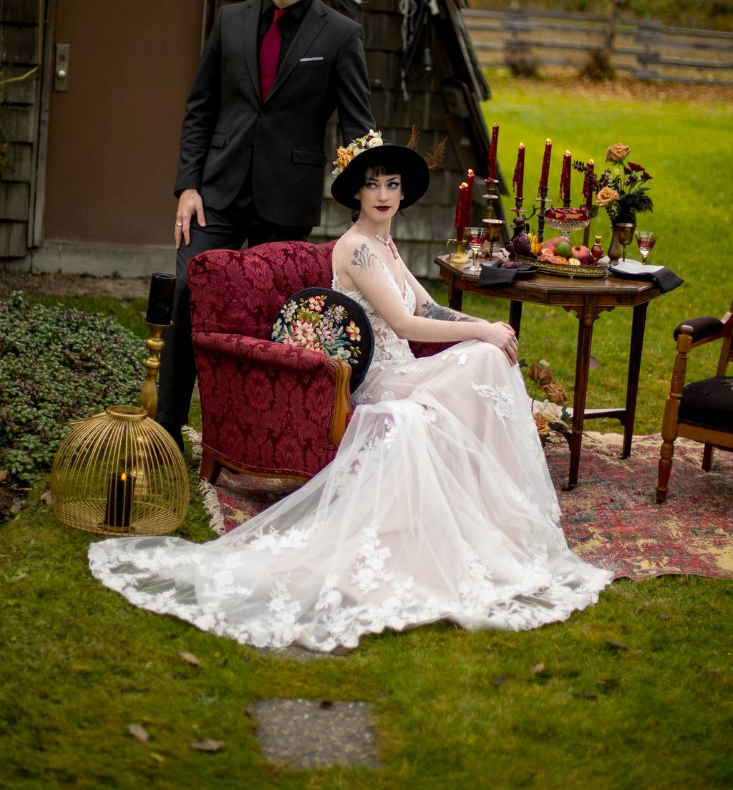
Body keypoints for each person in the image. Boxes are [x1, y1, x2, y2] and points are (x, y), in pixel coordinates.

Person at [89, 135, 613, 652]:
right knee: (478, 360)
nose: (383, 194)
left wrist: (485, 322)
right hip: (381, 380)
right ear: (356, 194)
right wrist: (481, 335)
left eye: (392, 184)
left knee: (484, 358)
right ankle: (481, 515)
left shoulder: (386, 246)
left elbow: (430, 309)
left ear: (403, 193)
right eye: (372, 185)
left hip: (409, 371)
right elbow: (405, 322)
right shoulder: (358, 247)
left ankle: (489, 517)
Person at [156, 0, 375, 449]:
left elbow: (357, 130)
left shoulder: (341, 35)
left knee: (270, 320)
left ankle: (253, 436)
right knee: (188, 291)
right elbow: (200, 109)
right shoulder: (230, 21)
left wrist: (365, 209)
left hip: (287, 201)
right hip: (216, 195)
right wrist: (187, 186)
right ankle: (165, 431)